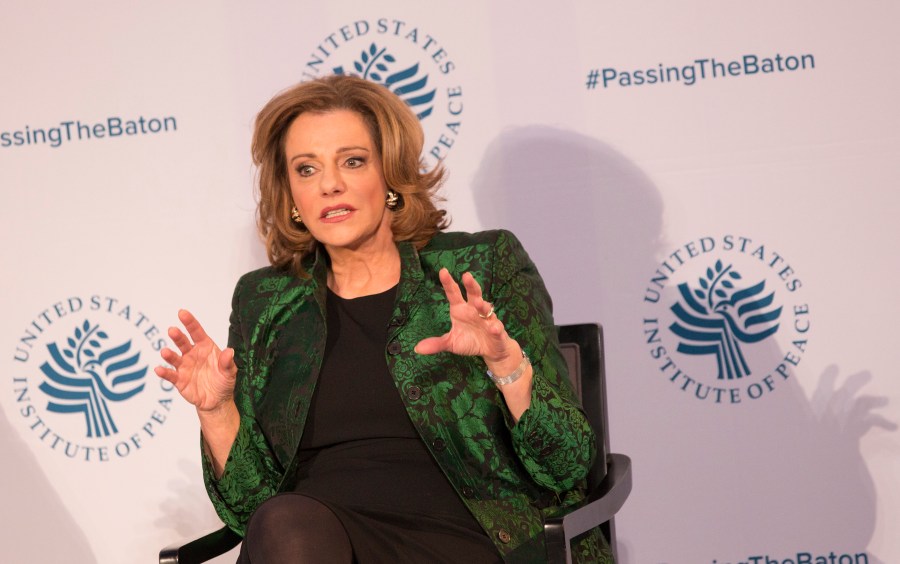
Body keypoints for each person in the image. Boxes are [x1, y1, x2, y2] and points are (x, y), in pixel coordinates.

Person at [155, 75, 611, 563]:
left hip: (469, 537)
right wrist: (217, 410)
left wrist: (507, 366)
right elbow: (252, 511)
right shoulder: (264, 300)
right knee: (283, 525)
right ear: (290, 197)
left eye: (352, 161)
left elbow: (568, 466)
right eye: (306, 169)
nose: (330, 184)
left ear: (390, 175)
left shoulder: (482, 265)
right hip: (311, 541)